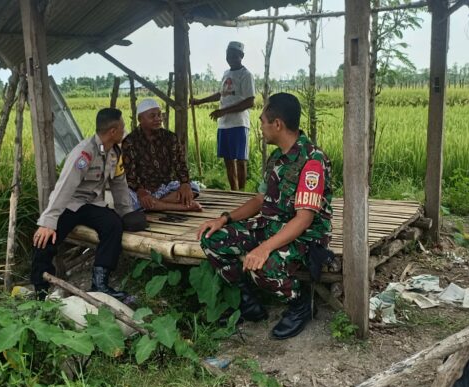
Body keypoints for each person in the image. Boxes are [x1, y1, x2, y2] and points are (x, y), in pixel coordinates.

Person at [196, 93, 333, 339]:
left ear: (277, 124)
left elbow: (304, 219)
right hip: (270, 226)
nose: (260, 127)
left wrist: (263, 249)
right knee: (212, 239)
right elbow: (260, 200)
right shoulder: (276, 157)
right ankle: (248, 302)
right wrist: (224, 219)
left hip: (303, 237)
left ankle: (301, 303)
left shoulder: (312, 160)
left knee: (263, 267)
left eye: (262, 122)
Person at [31, 108, 135, 302]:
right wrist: (48, 221)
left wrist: (126, 213)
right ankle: (40, 290)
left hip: (93, 203)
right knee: (46, 238)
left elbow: (119, 184)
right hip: (71, 203)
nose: (125, 130)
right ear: (113, 131)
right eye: (122, 127)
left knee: (113, 225)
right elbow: (64, 187)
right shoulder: (84, 153)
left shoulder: (114, 152)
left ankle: (100, 284)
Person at [190, 41, 255, 191]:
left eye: (234, 55)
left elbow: (250, 101)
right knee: (228, 160)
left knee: (240, 160)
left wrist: (223, 111)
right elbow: (221, 94)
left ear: (241, 56)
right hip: (224, 124)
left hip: (238, 124)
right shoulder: (226, 73)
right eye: (228, 54)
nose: (230, 58)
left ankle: (241, 194)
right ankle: (234, 191)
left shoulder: (246, 75)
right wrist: (200, 101)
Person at [122, 98, 202, 212]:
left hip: (165, 187)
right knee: (128, 200)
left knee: (194, 188)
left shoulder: (170, 137)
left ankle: (153, 205)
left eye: (159, 115)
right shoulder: (130, 141)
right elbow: (130, 174)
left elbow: (179, 163)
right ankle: (181, 206)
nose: (158, 119)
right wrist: (141, 191)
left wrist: (185, 184)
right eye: (152, 116)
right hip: (142, 189)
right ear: (140, 119)